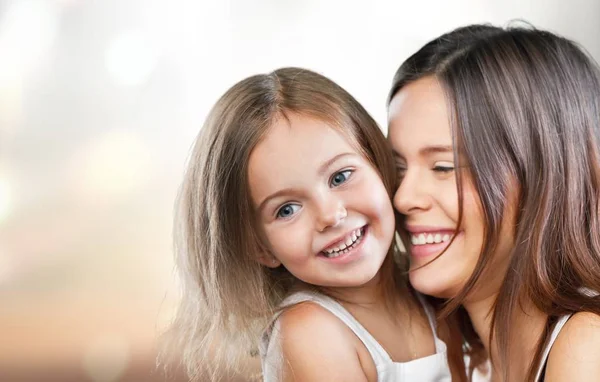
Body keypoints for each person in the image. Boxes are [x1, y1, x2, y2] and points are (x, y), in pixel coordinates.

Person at [166, 67, 454, 381]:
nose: (330, 215)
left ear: (378, 163)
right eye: (287, 209)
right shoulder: (310, 332)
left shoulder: (428, 283)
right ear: (260, 247)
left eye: (340, 177)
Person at [387, 24, 600, 381]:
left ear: (541, 175)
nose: (402, 197)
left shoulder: (587, 346)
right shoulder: (464, 361)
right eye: (398, 169)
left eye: (443, 167)